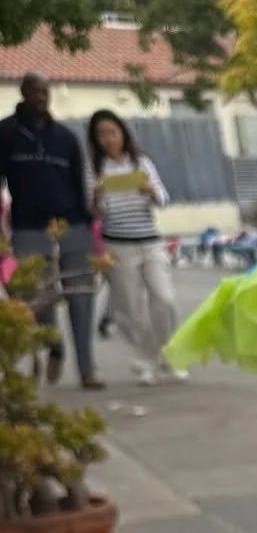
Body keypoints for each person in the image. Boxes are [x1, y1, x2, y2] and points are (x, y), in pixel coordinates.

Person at [0, 72, 102, 386]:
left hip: (73, 226)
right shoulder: (5, 133)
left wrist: (91, 217)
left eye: (45, 91)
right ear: (23, 93)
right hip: (29, 227)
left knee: (81, 298)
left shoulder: (66, 137)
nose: (41, 97)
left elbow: (82, 182)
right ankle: (54, 346)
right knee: (39, 298)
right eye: (35, 91)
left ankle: (87, 371)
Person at [87, 110, 185, 384]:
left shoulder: (140, 162)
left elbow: (163, 198)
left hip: (150, 241)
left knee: (164, 299)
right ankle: (146, 360)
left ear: (122, 133)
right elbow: (93, 213)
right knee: (130, 308)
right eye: (101, 135)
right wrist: (96, 198)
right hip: (117, 244)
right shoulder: (95, 168)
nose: (108, 139)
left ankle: (165, 354)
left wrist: (151, 192)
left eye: (112, 132)